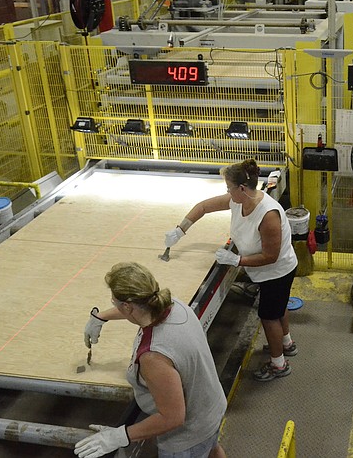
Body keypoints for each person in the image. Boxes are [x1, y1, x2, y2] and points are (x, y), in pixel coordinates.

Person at [164, 159, 298, 382]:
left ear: (242, 188)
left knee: (269, 316)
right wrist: (180, 230)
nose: (227, 192)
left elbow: (270, 256)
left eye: (229, 188)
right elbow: (204, 207)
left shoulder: (268, 215)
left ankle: (279, 364)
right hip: (267, 273)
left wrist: (237, 260)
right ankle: (286, 343)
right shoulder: (239, 201)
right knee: (278, 307)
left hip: (277, 272)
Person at [76, 262, 227, 458]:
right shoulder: (173, 304)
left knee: (201, 449)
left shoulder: (154, 355)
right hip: (211, 407)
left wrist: (120, 436)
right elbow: (139, 307)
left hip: (188, 435)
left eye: (115, 303)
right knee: (212, 449)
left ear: (127, 307)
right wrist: (101, 317)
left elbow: (172, 418)